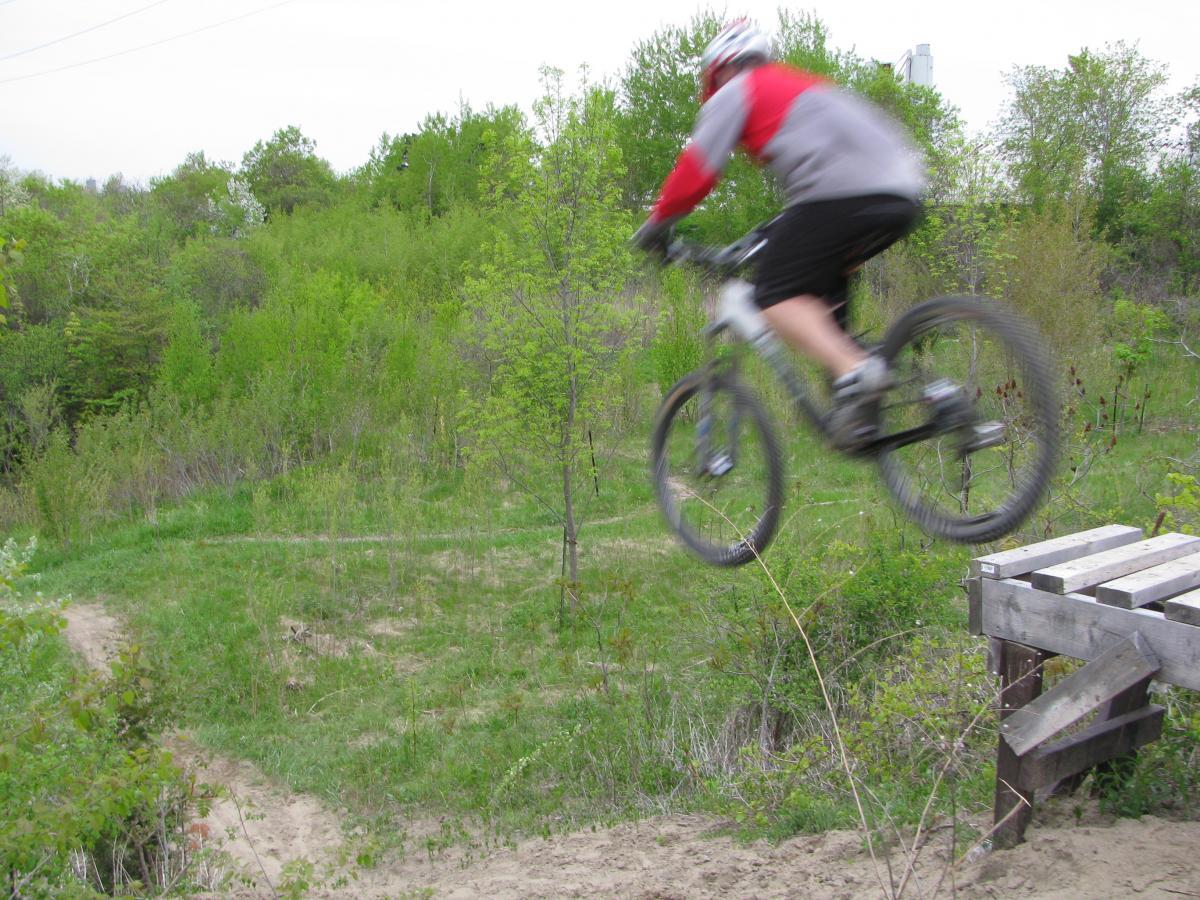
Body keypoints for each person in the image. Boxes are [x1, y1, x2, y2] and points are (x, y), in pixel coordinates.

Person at [633, 20, 927, 449]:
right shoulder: (804, 87)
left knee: (772, 296)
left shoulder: (739, 88)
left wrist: (657, 223)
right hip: (901, 193)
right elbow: (807, 198)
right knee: (820, 292)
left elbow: (697, 170)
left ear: (721, 69)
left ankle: (855, 373)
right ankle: (865, 407)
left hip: (844, 192)